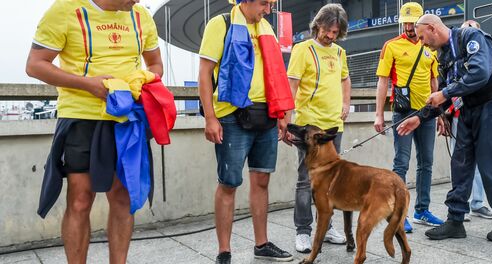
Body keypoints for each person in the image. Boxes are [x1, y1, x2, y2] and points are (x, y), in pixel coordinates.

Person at [25, 0, 163, 263]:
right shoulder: (65, 10)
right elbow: (35, 64)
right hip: (80, 117)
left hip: (126, 119)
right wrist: (87, 85)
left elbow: (156, 65)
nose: (138, 1)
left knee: (123, 197)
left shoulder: (141, 15)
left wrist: (140, 81)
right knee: (80, 199)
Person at [398, 14, 492, 242]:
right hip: (468, 111)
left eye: (423, 37)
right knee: (460, 164)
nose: (423, 43)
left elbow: (480, 73)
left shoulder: (471, 37)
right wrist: (419, 118)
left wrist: (444, 93)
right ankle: (455, 220)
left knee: (491, 167)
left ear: (433, 28)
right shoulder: (444, 55)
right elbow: (445, 95)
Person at [197, 0, 295, 262]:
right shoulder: (221, 24)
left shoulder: (267, 29)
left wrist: (282, 114)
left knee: (261, 180)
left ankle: (261, 244)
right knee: (229, 184)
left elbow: (276, 74)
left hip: (266, 114)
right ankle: (224, 251)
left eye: (271, 4)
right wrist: (210, 117)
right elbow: (205, 73)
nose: (268, 10)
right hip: (231, 115)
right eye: (264, 3)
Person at [285, 3, 350, 253]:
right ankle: (303, 231)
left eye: (335, 32)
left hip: (334, 125)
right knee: (305, 179)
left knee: (332, 180)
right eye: (328, 30)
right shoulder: (303, 49)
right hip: (308, 126)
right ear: (318, 24)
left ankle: (328, 225)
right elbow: (292, 85)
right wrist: (288, 122)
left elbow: (345, 78)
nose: (330, 36)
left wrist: (346, 102)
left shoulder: (340, 53)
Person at [373, 2, 443, 233]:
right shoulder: (391, 46)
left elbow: (435, 82)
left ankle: (422, 210)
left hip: (426, 113)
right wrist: (379, 114)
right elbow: (383, 81)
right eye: (407, 22)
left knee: (427, 163)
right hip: (403, 112)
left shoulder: (430, 47)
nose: (410, 26)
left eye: (414, 22)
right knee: (401, 163)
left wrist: (439, 114)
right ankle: (399, 213)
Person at [447, 20, 492, 222]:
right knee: (460, 163)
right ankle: (461, 205)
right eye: (466, 28)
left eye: (473, 29)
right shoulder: (453, 57)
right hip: (459, 118)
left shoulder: (484, 56)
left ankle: (477, 203)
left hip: (482, 117)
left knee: (481, 163)